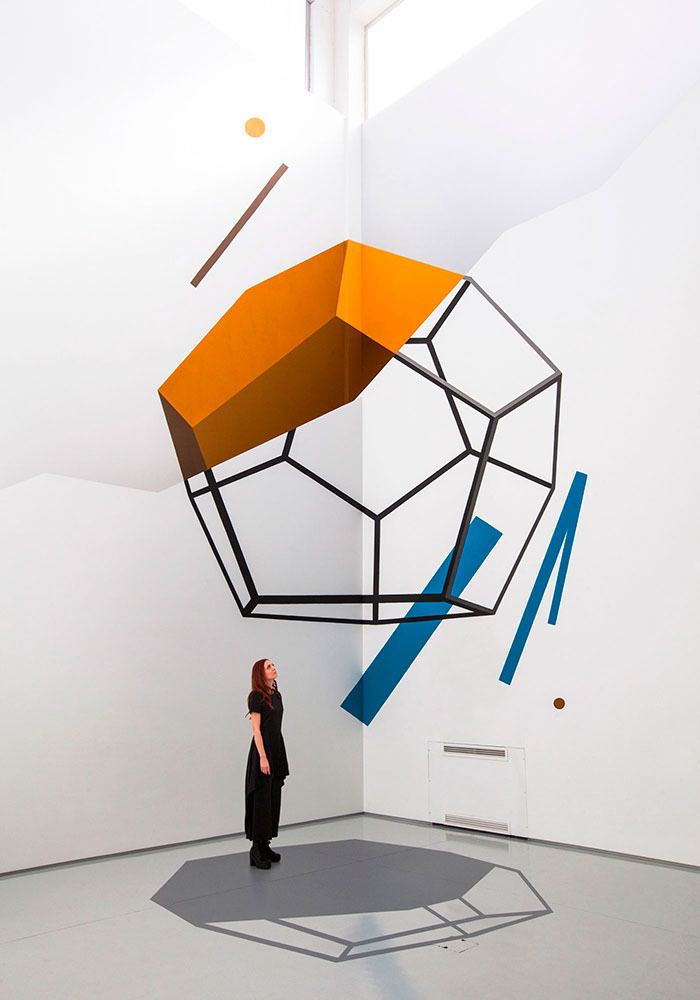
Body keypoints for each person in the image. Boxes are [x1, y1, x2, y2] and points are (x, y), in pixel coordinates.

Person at [244, 658, 289, 870]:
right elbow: (256, 730)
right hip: (263, 751)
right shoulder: (256, 696)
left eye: (273, 665)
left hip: (277, 748)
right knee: (261, 800)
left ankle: (265, 845)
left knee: (272, 798)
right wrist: (263, 757)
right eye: (269, 667)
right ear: (260, 674)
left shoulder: (276, 695)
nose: (273, 668)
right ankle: (256, 849)